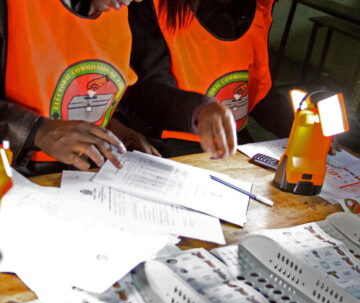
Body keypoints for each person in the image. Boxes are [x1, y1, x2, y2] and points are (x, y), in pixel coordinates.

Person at [0, 0, 237, 177]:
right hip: (13, 179)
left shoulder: (116, 10)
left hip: (75, 181)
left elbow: (129, 92)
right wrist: (37, 131)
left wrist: (117, 129)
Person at [121, 0, 295, 158]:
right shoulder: (153, 6)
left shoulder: (258, 8)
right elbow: (147, 93)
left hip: (234, 147)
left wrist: (300, 122)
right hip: (173, 148)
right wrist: (199, 109)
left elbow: (257, 91)